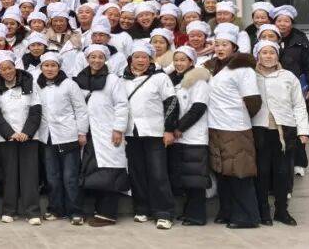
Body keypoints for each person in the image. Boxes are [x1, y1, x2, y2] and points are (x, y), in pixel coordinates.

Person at [205, 32, 263, 229]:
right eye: (217, 44)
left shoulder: (243, 69)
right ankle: (227, 211)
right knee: (223, 172)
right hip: (215, 126)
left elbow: (253, 101)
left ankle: (247, 217)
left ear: (234, 47)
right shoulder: (213, 67)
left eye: (225, 44)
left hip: (235, 128)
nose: (220, 48)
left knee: (239, 172)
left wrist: (239, 116)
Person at [252, 40, 309, 226]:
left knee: (283, 172)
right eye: (264, 52)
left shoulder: (288, 76)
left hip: (284, 131)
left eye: (272, 52)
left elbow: (299, 105)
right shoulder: (250, 76)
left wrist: (303, 130)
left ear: (278, 55)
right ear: (257, 55)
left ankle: (281, 210)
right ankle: (263, 210)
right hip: (258, 130)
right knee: (261, 172)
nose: (268, 56)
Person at [121, 40, 177, 230]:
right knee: (137, 172)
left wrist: (168, 129)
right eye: (136, 57)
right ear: (130, 59)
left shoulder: (160, 78)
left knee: (158, 173)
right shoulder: (122, 79)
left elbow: (171, 103)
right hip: (131, 132)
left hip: (155, 132)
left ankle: (164, 212)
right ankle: (142, 208)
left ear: (150, 59)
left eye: (144, 57)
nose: (140, 60)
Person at [74, 44, 129, 227]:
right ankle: (92, 210)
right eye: (93, 57)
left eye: (100, 57)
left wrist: (118, 129)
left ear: (105, 59)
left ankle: (107, 214)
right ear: (87, 59)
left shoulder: (113, 80)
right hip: (88, 132)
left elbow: (122, 105)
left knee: (109, 172)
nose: (96, 60)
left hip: (108, 132)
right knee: (92, 172)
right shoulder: (80, 79)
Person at [0, 50, 43, 225]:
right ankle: (9, 210)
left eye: (10, 67)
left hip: (29, 137)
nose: (7, 71)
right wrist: (10, 133)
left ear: (15, 67)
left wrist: (26, 132)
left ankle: (32, 211)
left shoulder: (30, 83)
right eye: (3, 69)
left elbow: (35, 111)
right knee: (9, 175)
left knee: (30, 175)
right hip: (6, 137)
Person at [35, 52, 88, 225]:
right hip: (47, 137)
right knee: (52, 177)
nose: (49, 69)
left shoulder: (69, 84)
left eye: (53, 66)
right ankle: (56, 209)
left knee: (70, 177)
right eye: (46, 66)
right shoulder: (37, 85)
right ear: (41, 67)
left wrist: (82, 132)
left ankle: (75, 211)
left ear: (59, 67)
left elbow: (81, 109)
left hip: (68, 136)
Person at [167, 46, 212, 226]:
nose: (179, 63)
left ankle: (197, 216)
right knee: (186, 177)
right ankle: (189, 212)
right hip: (179, 136)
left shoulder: (199, 81)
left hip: (194, 137)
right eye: (176, 60)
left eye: (183, 60)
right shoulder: (174, 80)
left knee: (195, 179)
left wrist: (180, 127)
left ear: (191, 62)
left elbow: (198, 108)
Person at [272, 5, 309, 176]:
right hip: (274, 90)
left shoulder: (300, 40)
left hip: (297, 89)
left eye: (286, 21)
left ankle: (299, 162)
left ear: (291, 23)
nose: (282, 24)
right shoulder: (269, 37)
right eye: (279, 21)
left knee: (300, 123)